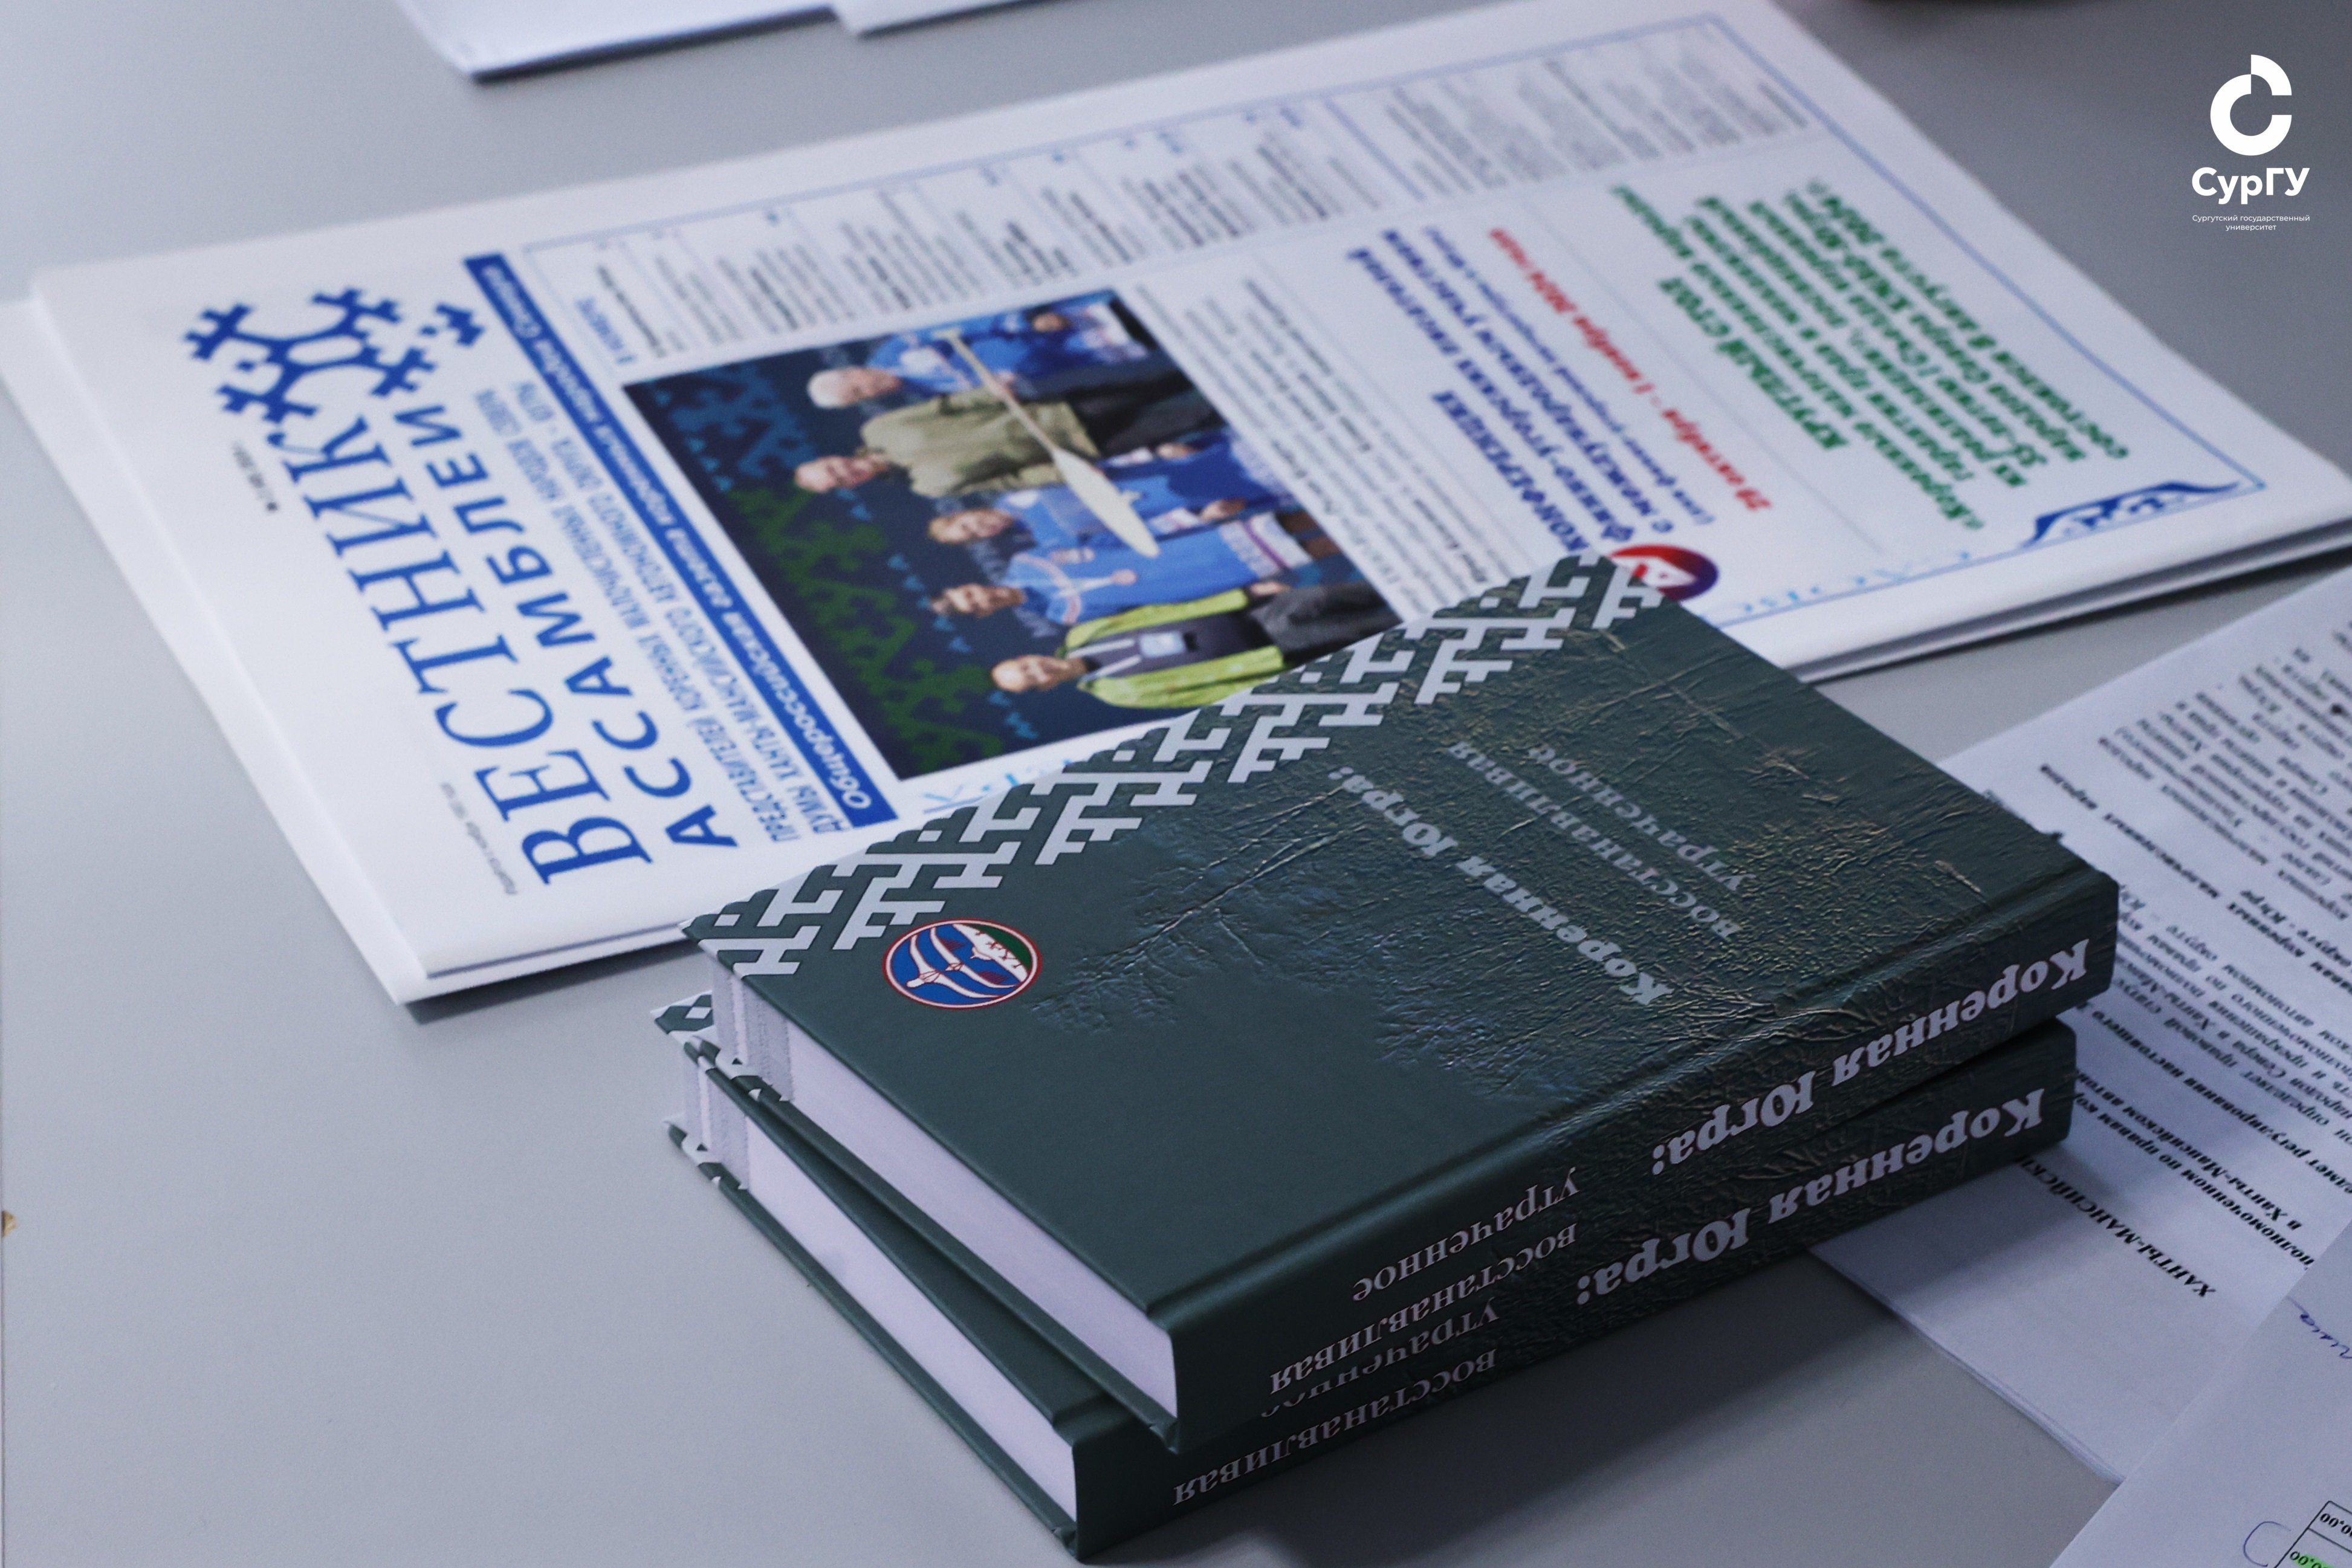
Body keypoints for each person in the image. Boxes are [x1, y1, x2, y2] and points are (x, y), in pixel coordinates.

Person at [794, 357, 1219, 501]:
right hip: (1084, 448)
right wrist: (1069, 472)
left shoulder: (878, 428)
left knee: (1166, 382)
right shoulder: (928, 488)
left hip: (1057, 411)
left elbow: (947, 406)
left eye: (831, 468)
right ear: (848, 487)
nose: (842, 473)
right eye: (837, 482)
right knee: (1194, 418)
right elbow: (1011, 479)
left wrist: (991, 392)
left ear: (831, 458)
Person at [990, 580, 1399, 709]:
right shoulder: (1117, 693)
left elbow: (1161, 612)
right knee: (1366, 628)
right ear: (1046, 687)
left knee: (1340, 593)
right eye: (1032, 680)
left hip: (1249, 613)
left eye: (1026, 666)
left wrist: (1243, 593)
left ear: (1029, 656)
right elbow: (1207, 695)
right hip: (1268, 652)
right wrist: (1274, 683)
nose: (1037, 671)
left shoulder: (1080, 635)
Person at [933, 514, 1341, 626]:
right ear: (983, 613)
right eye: (974, 606)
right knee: (1307, 551)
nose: (980, 598)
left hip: (1183, 547)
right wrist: (1245, 596)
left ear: (971, 585)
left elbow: (1109, 540)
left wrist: (1189, 518)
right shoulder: (1063, 615)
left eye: (969, 593)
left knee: (1286, 524)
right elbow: (1153, 614)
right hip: (1197, 580)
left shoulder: (1028, 561)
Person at [855, 299, 1150, 398]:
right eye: (860, 398)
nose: (869, 393)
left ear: (853, 372)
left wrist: (1027, 319)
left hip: (1061, 325)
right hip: (1076, 355)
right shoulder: (923, 392)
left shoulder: (896, 350)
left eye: (858, 389)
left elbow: (963, 324)